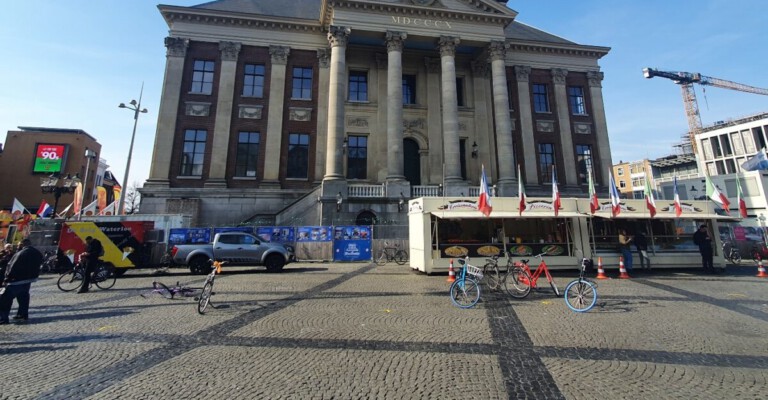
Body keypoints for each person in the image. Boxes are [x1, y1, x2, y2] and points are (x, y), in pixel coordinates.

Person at [0, 239, 42, 324]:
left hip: (16, 280)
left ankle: (3, 318)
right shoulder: (37, 252)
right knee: (23, 297)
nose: (17, 246)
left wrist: (6, 279)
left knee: (5, 299)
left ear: (23, 244)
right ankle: (23, 314)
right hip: (28, 279)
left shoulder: (20, 254)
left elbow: (11, 266)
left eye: (19, 245)